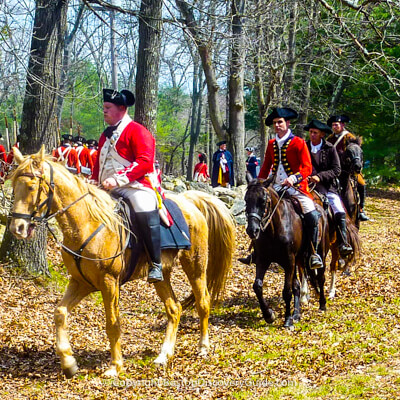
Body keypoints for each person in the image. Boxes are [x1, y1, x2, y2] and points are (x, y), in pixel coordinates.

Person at [91, 88, 164, 283]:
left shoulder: (138, 131)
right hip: (107, 187)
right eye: (104, 107)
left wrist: (117, 179)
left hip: (136, 186)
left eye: (108, 107)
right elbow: (100, 162)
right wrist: (93, 182)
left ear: (122, 109)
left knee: (143, 206)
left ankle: (155, 263)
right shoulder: (105, 135)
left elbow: (145, 162)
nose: (104, 111)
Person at [257, 107, 323, 269]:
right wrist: (259, 183)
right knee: (258, 211)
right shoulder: (271, 144)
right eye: (274, 123)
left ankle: (313, 253)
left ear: (287, 123)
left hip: (297, 188)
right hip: (276, 187)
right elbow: (265, 168)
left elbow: (307, 168)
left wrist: (293, 178)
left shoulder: (299, 142)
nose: (277, 125)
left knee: (312, 215)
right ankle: (256, 251)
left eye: (280, 122)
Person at [305, 119, 352, 257]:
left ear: (322, 135)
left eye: (315, 133)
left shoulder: (330, 148)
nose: (312, 135)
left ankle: (343, 242)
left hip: (327, 186)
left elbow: (336, 169)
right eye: (310, 132)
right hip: (305, 185)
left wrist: (320, 176)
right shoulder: (304, 146)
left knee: (338, 208)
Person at [326, 115, 369, 221]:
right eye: (333, 125)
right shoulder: (330, 138)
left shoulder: (349, 137)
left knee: (361, 184)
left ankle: (360, 209)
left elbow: (356, 152)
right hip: (332, 169)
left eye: (336, 125)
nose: (334, 127)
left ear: (342, 125)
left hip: (347, 169)